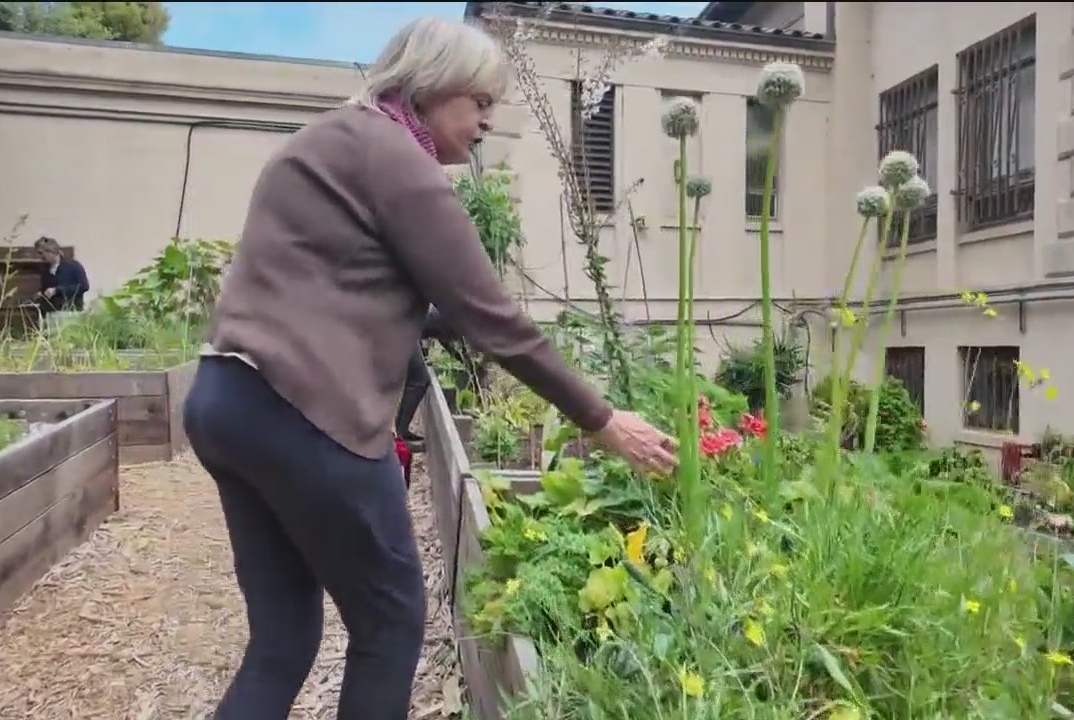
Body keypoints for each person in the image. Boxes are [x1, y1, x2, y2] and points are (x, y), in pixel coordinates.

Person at [181, 16, 677, 720]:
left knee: (282, 639)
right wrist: (602, 420)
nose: (486, 123)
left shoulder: (320, 142)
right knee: (390, 625)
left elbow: (348, 282)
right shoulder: (399, 162)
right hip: (307, 413)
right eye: (480, 103)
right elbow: (492, 319)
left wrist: (433, 320)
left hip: (226, 400)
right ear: (432, 86)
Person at [394, 305, 457, 448]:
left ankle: (401, 431)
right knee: (420, 379)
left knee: (415, 379)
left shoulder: (450, 315)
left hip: (403, 326)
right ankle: (401, 436)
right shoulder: (460, 322)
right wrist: (471, 365)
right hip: (405, 329)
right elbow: (455, 347)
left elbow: (448, 344)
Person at [33, 236, 89, 313]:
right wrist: (41, 294)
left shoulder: (74, 266)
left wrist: (58, 290)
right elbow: (46, 289)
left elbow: (84, 286)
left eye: (41, 253)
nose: (40, 256)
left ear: (51, 251)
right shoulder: (45, 270)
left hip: (71, 312)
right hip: (51, 313)